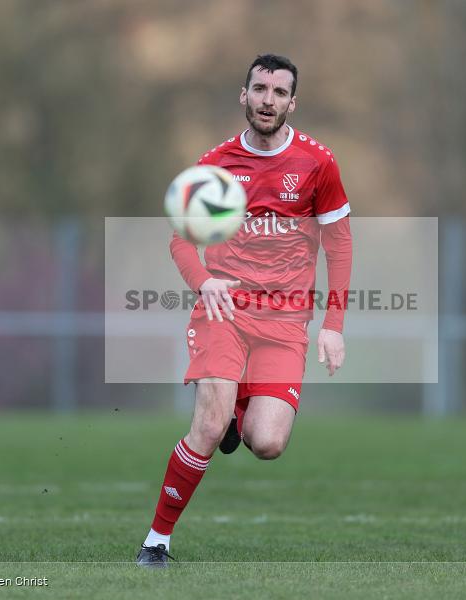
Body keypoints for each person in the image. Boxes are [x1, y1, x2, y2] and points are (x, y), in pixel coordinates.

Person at [136, 54, 353, 567]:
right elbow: (181, 242)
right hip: (224, 313)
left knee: (268, 441)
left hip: (284, 324)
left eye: (279, 93)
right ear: (244, 94)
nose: (267, 100)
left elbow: (339, 246)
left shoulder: (318, 164)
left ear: (292, 103)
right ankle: (157, 542)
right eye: (259, 89)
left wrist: (334, 326)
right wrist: (203, 280)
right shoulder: (215, 166)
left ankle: (240, 409)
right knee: (208, 429)